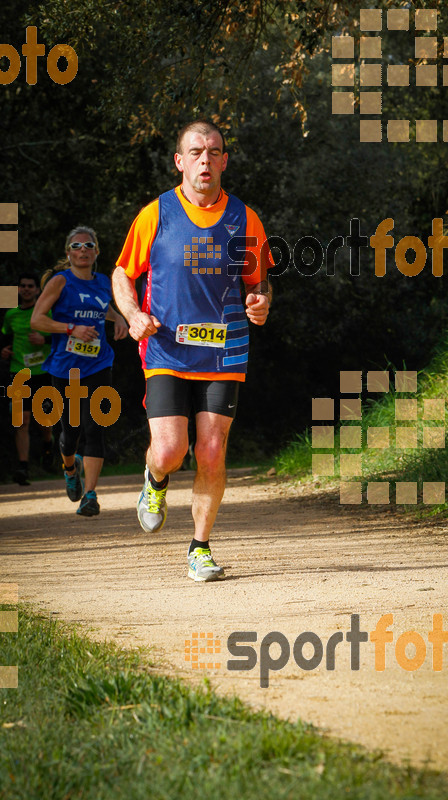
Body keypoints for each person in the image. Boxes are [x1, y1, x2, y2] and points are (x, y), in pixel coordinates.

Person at [112, 119, 272, 581]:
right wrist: (132, 316)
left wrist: (261, 303)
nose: (206, 159)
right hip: (165, 347)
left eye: (215, 151)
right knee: (168, 449)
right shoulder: (156, 214)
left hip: (225, 350)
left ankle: (199, 547)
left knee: (212, 449)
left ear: (224, 160)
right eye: (197, 152)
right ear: (180, 161)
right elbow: (123, 273)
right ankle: (156, 479)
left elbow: (259, 282)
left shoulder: (244, 219)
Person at [31, 226, 128, 516]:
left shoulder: (102, 282)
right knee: (70, 432)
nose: (82, 250)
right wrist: (71, 328)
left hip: (99, 363)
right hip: (66, 367)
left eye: (88, 245)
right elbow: (37, 319)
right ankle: (70, 469)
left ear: (97, 252)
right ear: (68, 253)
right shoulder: (60, 282)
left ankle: (90, 494)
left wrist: (118, 317)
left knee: (94, 428)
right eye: (76, 246)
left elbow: (102, 307)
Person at [1, 273, 54, 484]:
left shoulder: (46, 312)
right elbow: (5, 338)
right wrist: (3, 351)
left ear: (37, 290)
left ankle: (48, 442)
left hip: (42, 372)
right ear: (17, 290)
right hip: (19, 373)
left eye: (30, 286)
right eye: (22, 286)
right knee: (21, 421)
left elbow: (63, 335)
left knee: (43, 420)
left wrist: (44, 339)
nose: (25, 289)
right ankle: (23, 467)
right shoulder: (11, 315)